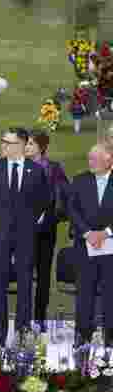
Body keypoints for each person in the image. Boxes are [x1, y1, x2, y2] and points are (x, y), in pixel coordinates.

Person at [0, 127, 51, 346]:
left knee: (24, 284)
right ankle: (0, 335)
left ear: (21, 145)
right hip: (0, 235)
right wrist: (1, 223)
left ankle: (22, 331)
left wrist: (27, 222)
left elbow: (43, 200)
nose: (3, 146)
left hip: (26, 236)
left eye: (8, 142)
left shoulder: (36, 170)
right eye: (3, 141)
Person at [66, 143, 113, 346]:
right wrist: (88, 233)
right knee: (84, 292)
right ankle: (82, 337)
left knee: (110, 292)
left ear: (108, 159)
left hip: (110, 246)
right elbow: (72, 209)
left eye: (95, 158)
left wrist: (106, 233)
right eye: (89, 158)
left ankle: (110, 338)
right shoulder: (80, 180)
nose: (90, 162)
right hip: (85, 246)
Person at [25, 129, 69, 328]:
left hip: (46, 230)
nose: (27, 147)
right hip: (24, 230)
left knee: (43, 275)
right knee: (24, 274)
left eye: (31, 144)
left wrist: (51, 216)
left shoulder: (53, 168)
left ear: (41, 147)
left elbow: (64, 196)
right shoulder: (20, 167)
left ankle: (39, 318)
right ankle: (24, 318)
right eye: (26, 144)